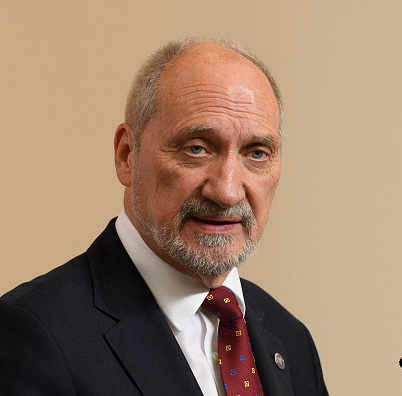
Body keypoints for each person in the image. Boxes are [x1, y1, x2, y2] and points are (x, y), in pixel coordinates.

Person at [0, 38, 328, 396]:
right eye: (197, 148)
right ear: (127, 155)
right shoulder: (31, 335)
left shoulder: (292, 340)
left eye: (257, 153)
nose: (228, 191)